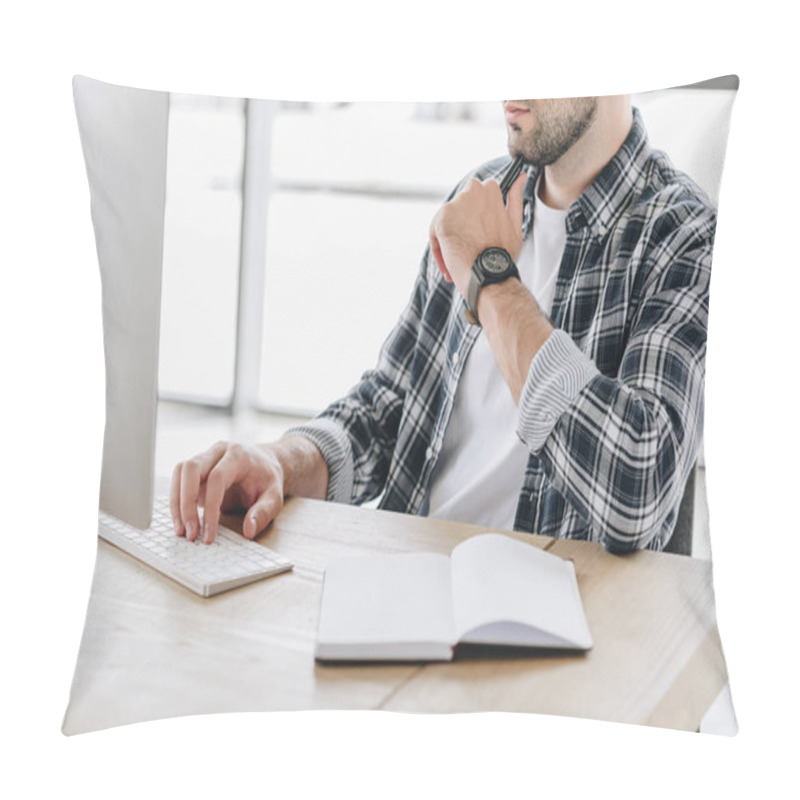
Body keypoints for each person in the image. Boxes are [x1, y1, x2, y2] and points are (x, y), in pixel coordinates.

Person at [170, 94, 714, 554]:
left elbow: (638, 492)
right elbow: (393, 405)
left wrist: (492, 279)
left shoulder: (684, 232)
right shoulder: (479, 197)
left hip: (549, 636)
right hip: (405, 582)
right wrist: (282, 462)